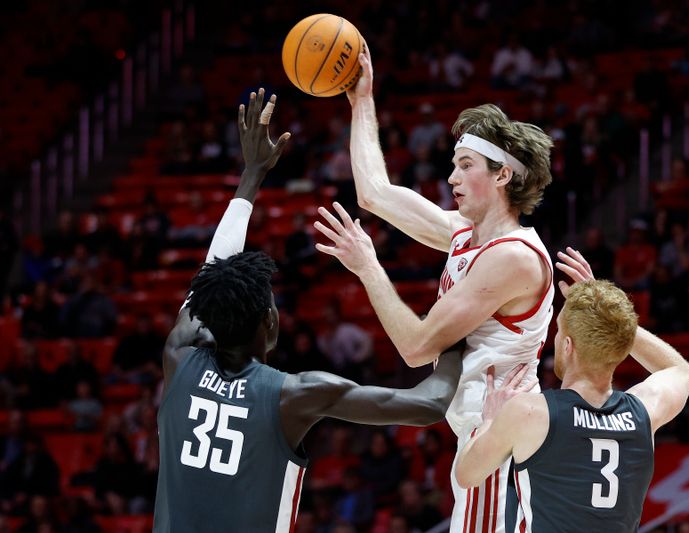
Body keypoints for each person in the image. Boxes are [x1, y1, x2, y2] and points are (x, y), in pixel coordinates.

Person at [153, 89, 464, 533]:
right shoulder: (294, 394)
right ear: (269, 323)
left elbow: (211, 273)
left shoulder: (178, 358)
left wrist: (252, 174)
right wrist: (458, 321)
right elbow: (430, 404)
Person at [315, 43, 554, 532]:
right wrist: (362, 101)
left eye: (466, 165)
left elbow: (417, 347)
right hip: (479, 435)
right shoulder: (465, 233)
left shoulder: (511, 257)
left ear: (503, 174)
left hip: (499, 439)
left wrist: (368, 266)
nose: (452, 177)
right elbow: (374, 194)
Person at [454, 247, 689, 532]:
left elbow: (467, 475)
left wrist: (490, 421)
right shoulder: (644, 411)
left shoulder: (530, 412)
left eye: (559, 332)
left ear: (568, 347)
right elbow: (682, 370)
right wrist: (612, 323)